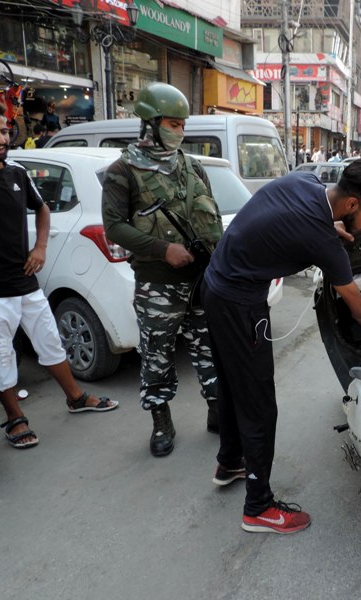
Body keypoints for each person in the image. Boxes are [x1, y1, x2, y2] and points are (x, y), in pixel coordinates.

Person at [202, 159, 361, 535]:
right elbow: (360, 309)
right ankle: (258, 508)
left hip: (216, 285)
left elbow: (293, 220)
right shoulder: (321, 239)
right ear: (350, 205)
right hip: (239, 304)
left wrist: (331, 229)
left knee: (234, 384)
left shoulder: (306, 183)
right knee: (259, 404)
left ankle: (230, 461)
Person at [0, 97, 117, 449]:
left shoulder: (16, 172)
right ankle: (16, 420)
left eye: (3, 130)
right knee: (0, 355)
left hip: (25, 281)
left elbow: (43, 208)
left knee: (50, 342)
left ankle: (75, 398)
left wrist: (40, 247)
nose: (0, 138)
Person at [102, 82, 223, 457]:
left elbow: (212, 216)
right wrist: (162, 249)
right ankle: (161, 422)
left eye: (183, 125)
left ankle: (218, 411)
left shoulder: (192, 167)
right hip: (158, 285)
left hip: (201, 282)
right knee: (157, 355)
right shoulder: (123, 170)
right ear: (150, 123)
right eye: (173, 123)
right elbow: (114, 227)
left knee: (211, 351)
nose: (180, 131)